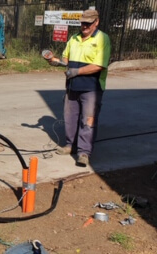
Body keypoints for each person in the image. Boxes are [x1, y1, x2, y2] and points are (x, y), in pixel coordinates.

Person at [48, 9, 111, 166]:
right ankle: (70, 145)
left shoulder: (103, 39)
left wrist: (76, 71)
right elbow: (65, 58)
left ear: (96, 22)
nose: (84, 26)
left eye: (88, 23)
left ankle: (84, 153)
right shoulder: (74, 38)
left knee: (87, 121)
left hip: (91, 88)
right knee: (70, 119)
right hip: (72, 86)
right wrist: (55, 61)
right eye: (83, 23)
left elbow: (99, 65)